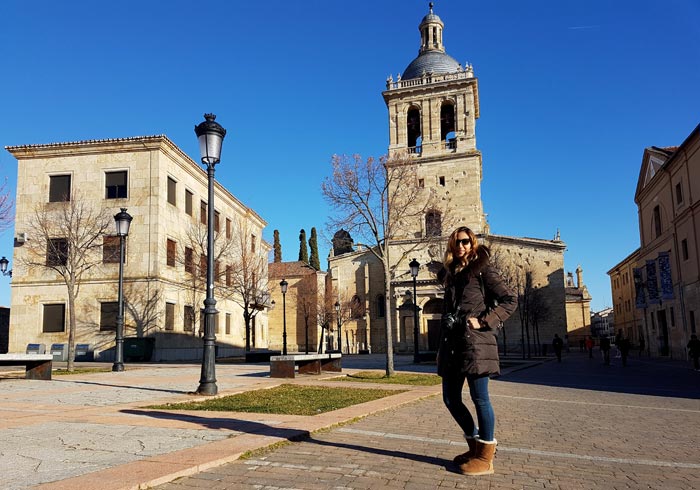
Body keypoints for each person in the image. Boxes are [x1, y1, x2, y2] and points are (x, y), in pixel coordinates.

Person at [437, 226, 516, 476]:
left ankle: (485, 456)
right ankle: (474, 445)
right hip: (452, 345)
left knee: (480, 397)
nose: (460, 246)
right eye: (456, 243)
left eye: (465, 242)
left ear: (472, 244)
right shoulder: (451, 275)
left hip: (476, 343)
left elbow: (510, 300)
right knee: (450, 398)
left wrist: (484, 321)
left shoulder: (483, 270)